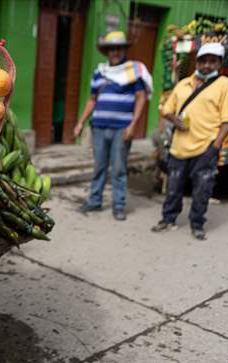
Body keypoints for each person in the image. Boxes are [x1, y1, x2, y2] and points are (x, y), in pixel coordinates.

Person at [151, 43, 228, 240]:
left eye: (212, 61)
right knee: (173, 187)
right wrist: (174, 120)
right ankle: (168, 219)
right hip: (179, 147)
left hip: (205, 147)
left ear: (219, 63)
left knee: (202, 189)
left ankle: (197, 223)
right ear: (197, 62)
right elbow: (167, 110)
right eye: (203, 61)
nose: (206, 66)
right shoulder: (183, 84)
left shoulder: (225, 85)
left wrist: (215, 146)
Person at [74, 31, 152, 221]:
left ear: (124, 50)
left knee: (118, 168)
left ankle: (118, 205)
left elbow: (141, 98)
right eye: (112, 49)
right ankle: (94, 201)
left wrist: (133, 125)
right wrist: (80, 122)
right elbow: (92, 100)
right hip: (99, 127)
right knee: (99, 166)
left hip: (122, 129)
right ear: (107, 52)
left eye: (119, 48)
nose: (115, 52)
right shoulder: (99, 73)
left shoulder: (132, 71)